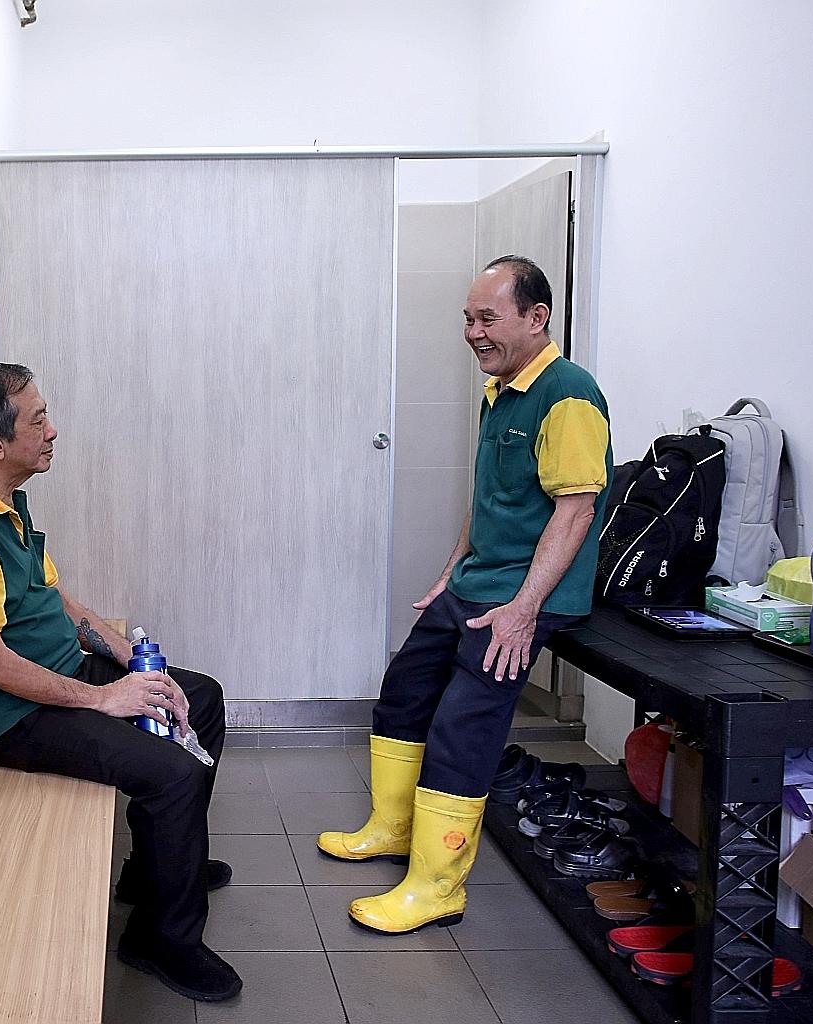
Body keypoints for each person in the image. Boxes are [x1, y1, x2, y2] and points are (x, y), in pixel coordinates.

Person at [0, 362, 242, 1002]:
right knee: (174, 773)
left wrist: (128, 655)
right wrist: (105, 697)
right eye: (37, 420)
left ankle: (154, 871)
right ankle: (161, 940)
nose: (53, 430)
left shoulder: (5, 504)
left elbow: (57, 599)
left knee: (200, 697)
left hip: (58, 675)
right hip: (7, 715)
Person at [318, 255, 613, 934]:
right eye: (468, 319)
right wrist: (453, 571)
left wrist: (521, 609)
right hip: (481, 583)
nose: (473, 332)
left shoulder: (567, 394)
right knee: (404, 692)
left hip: (522, 596)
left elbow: (575, 510)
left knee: (461, 730)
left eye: (487, 317)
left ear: (537, 318)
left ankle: (436, 886)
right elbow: (490, 501)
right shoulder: (503, 389)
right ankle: (393, 831)